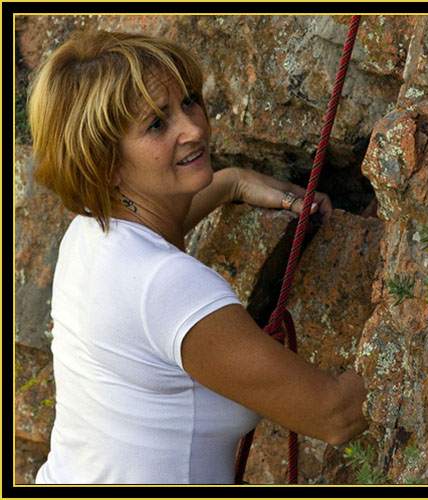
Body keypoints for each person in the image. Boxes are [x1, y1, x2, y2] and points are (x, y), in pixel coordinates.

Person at [27, 31, 368, 484]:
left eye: (189, 101)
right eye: (157, 124)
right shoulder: (169, 284)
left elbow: (160, 234)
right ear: (104, 161)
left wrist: (232, 181)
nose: (194, 129)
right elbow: (337, 415)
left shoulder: (89, 235)